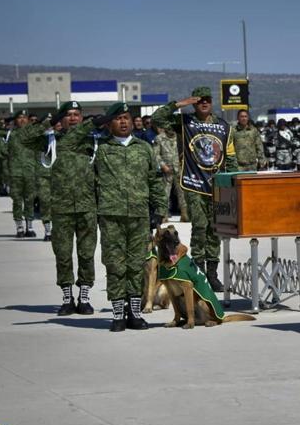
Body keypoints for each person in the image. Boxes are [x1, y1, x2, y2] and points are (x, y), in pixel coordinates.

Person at [58, 102, 166, 331]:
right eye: (118, 118)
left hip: (139, 216)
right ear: (109, 123)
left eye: (127, 117)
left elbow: (155, 180)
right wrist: (91, 123)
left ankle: (135, 313)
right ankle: (118, 314)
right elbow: (67, 142)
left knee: (137, 266)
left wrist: (159, 210)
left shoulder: (143, 147)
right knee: (115, 265)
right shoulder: (99, 148)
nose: (124, 122)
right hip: (110, 217)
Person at [19, 101, 100, 316]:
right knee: (63, 254)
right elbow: (22, 138)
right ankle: (66, 297)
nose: (73, 118)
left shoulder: (92, 139)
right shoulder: (50, 140)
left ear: (82, 118)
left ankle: (84, 296)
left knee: (86, 254)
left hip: (87, 207)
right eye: (68, 115)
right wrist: (48, 123)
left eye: (76, 114)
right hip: (61, 208)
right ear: (61, 118)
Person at [152, 87, 237, 291]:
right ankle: (198, 271)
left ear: (212, 102)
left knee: (215, 229)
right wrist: (179, 104)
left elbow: (231, 158)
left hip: (217, 185)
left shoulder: (224, 126)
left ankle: (212, 274)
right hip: (194, 184)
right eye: (199, 101)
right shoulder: (185, 122)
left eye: (207, 100)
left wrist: (235, 183)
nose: (204, 103)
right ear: (194, 102)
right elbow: (156, 119)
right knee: (199, 227)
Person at [0, 111, 39, 237]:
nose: (22, 120)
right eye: (19, 118)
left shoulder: (33, 133)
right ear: (15, 120)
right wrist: (3, 121)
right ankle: (19, 228)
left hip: (30, 172)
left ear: (28, 120)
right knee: (17, 201)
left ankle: (30, 227)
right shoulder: (10, 134)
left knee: (29, 200)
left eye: (24, 118)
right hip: (15, 173)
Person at [153, 125, 189, 222]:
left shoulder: (180, 137)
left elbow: (186, 151)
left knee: (182, 192)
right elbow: (155, 154)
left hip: (180, 169)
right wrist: (162, 165)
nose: (171, 129)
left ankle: (184, 214)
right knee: (165, 193)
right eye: (168, 127)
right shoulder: (159, 138)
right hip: (166, 170)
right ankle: (163, 215)